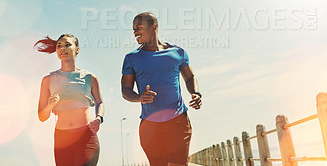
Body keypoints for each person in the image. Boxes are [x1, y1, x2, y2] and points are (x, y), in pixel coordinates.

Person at [121, 12, 202, 166]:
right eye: (133, 29)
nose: (135, 32)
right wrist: (139, 97)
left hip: (178, 120)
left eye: (138, 27)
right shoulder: (131, 58)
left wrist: (195, 93)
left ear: (154, 27)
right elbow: (125, 89)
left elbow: (190, 77)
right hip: (150, 125)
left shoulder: (177, 52)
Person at [35, 34, 104, 166]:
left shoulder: (90, 77)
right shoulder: (47, 80)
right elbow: (42, 117)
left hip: (86, 136)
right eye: (59, 46)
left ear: (77, 49)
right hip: (62, 139)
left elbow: (100, 102)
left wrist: (99, 118)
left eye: (67, 45)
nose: (63, 49)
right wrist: (50, 106)